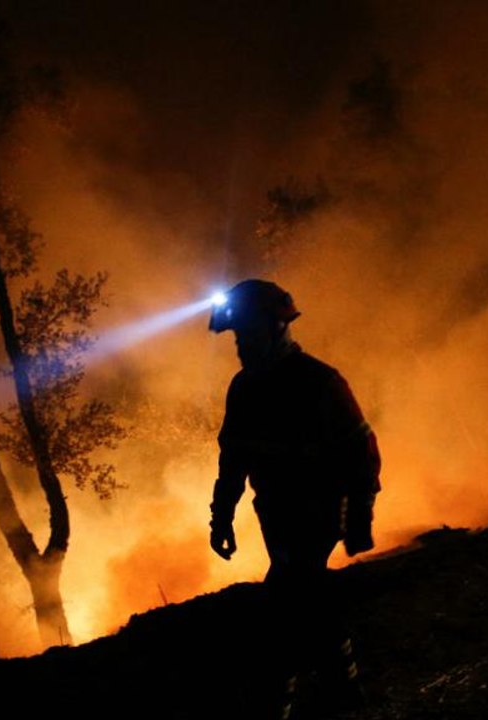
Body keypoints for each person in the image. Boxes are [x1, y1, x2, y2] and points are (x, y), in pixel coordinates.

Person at [207, 279, 382, 719]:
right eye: (237, 336)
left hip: (319, 512)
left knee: (280, 609)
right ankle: (345, 689)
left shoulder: (319, 382)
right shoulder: (244, 388)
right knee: (309, 600)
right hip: (275, 516)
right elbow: (233, 459)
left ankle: (276, 703)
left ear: (277, 327)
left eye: (247, 333)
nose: (241, 344)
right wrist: (221, 516)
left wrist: (359, 516)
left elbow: (360, 450)